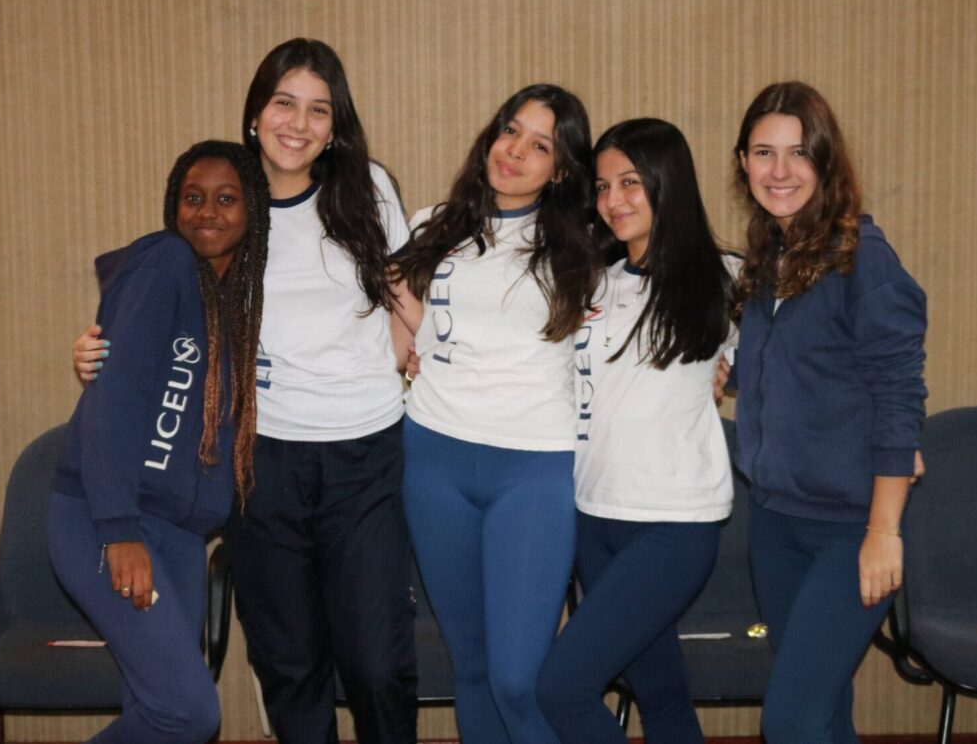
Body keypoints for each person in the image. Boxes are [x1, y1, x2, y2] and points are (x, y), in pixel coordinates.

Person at [74, 39, 417, 744]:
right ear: (256, 113)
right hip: (258, 458)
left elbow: (402, 297)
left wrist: (410, 363)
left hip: (364, 455)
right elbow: (161, 304)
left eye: (318, 109)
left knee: (377, 661)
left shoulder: (367, 188)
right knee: (289, 663)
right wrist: (98, 353)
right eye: (284, 103)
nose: (299, 123)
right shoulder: (230, 200)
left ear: (335, 125)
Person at [391, 84, 598, 744]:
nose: (514, 151)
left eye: (540, 145)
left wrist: (723, 357)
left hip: (534, 469)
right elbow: (408, 330)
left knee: (517, 679)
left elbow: (685, 283)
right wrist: (403, 328)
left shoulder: (587, 248)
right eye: (510, 131)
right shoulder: (432, 227)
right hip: (434, 458)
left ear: (560, 169)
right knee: (473, 668)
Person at [49, 139, 271, 744]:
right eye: (193, 198)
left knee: (155, 709)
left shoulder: (233, 297)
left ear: (252, 210)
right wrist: (119, 529)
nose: (207, 212)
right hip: (108, 520)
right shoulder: (165, 265)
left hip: (178, 532)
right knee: (188, 714)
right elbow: (114, 402)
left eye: (226, 199)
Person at [728, 81, 927, 743]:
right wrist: (738, 374)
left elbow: (898, 394)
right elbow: (804, 366)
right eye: (763, 153)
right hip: (775, 522)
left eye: (798, 153)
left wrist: (884, 531)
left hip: (852, 529)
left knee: (789, 720)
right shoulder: (770, 256)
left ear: (826, 161)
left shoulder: (862, 259)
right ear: (743, 163)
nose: (779, 171)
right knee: (822, 713)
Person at [534, 118, 737, 743]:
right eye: (602, 186)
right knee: (661, 693)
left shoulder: (727, 279)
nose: (613, 200)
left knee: (561, 689)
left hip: (673, 523)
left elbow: (801, 364)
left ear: (666, 182)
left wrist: (737, 371)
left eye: (630, 182)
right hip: (592, 515)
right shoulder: (594, 280)